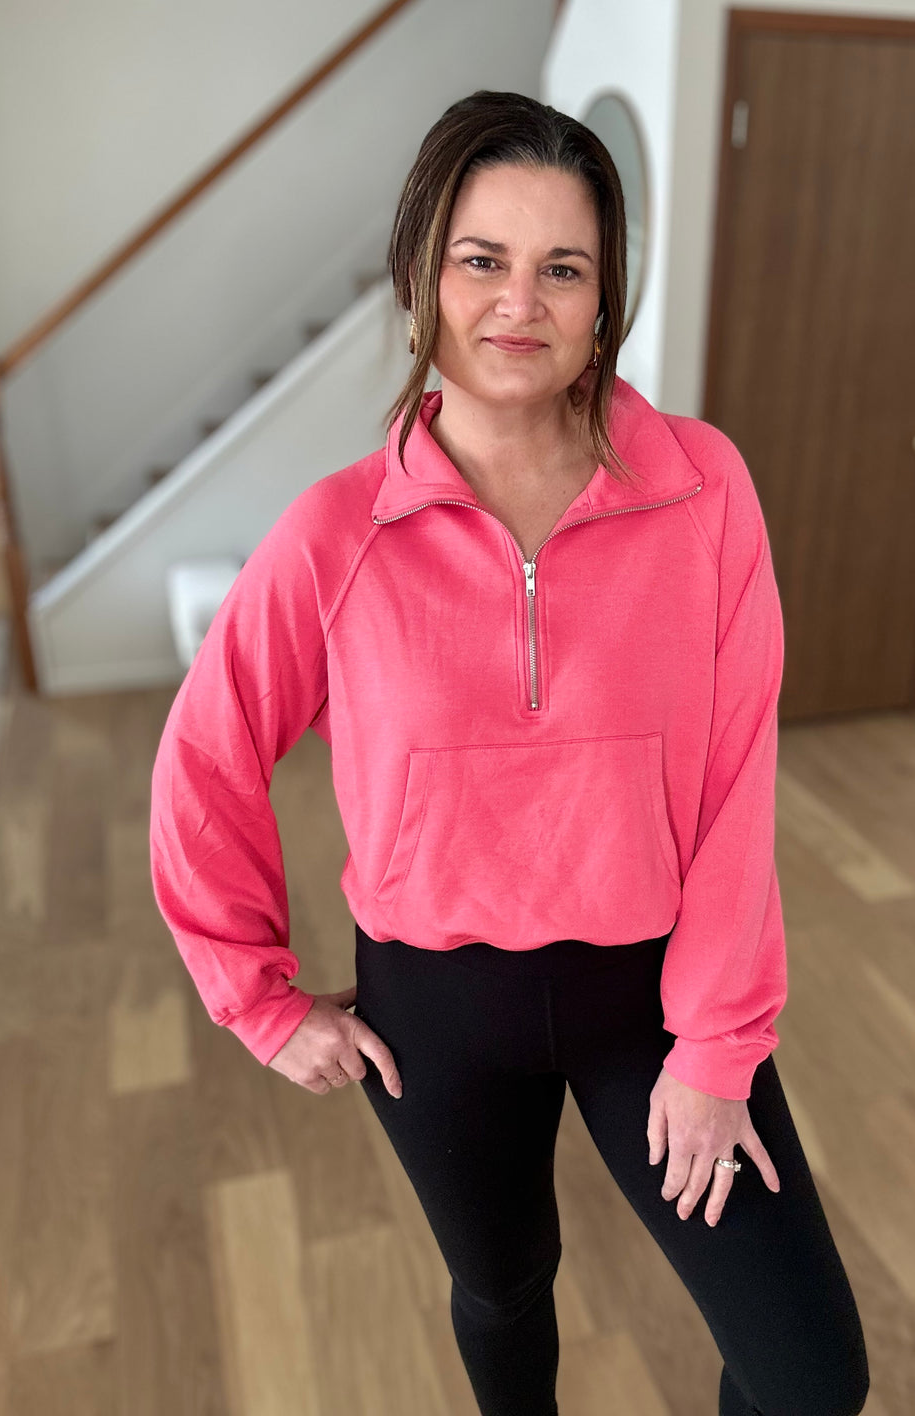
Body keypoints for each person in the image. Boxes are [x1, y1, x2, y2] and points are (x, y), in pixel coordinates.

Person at [149, 90, 870, 1416]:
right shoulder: (335, 535)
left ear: (607, 298)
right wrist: (257, 999)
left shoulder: (705, 492)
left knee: (810, 1375)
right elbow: (202, 763)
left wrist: (716, 1051)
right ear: (423, 272)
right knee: (503, 1289)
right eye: (482, 260)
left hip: (656, 1004)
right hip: (436, 1015)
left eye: (563, 269)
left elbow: (737, 777)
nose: (517, 304)